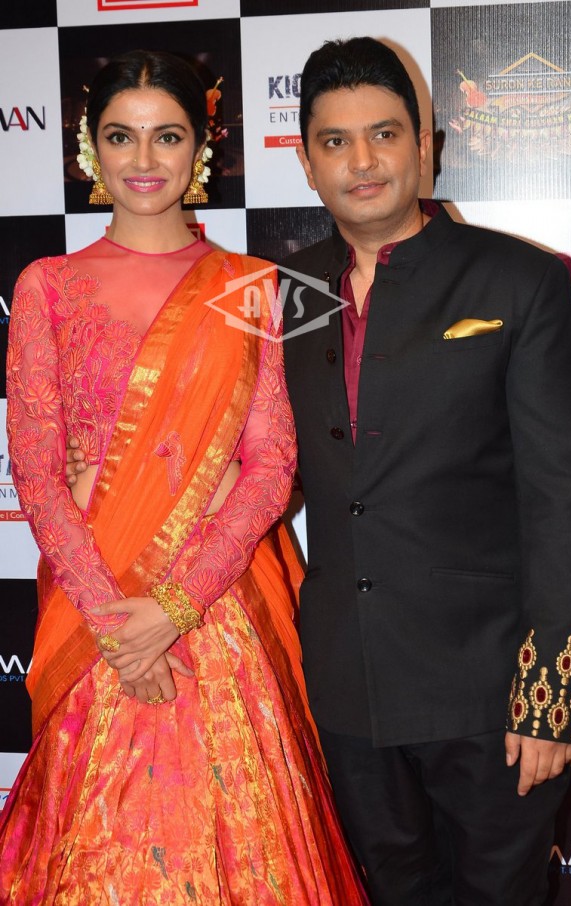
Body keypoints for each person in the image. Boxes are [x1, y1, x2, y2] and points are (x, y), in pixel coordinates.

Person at [0, 50, 367, 904]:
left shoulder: (250, 287)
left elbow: (270, 467)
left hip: (217, 611)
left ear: (201, 148)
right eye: (120, 137)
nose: (144, 160)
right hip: (95, 615)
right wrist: (116, 629)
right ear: (88, 148)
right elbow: (38, 476)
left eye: (167, 137)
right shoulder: (47, 286)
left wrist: (172, 609)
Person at [278, 38, 571, 906]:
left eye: (384, 134)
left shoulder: (522, 280)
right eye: (335, 141)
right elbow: (252, 458)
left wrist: (548, 699)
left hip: (490, 691)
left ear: (425, 145)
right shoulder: (281, 296)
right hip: (344, 688)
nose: (362, 161)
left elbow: (562, 500)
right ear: (307, 162)